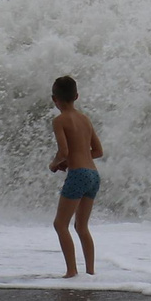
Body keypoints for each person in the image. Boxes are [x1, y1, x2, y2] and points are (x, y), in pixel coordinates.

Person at [46, 74, 103, 277]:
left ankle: (71, 271)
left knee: (60, 224)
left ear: (55, 99)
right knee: (81, 226)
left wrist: (55, 164)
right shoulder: (85, 119)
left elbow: (64, 150)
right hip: (93, 175)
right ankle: (90, 272)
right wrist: (72, 161)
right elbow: (98, 151)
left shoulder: (60, 120)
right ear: (76, 96)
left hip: (78, 175)